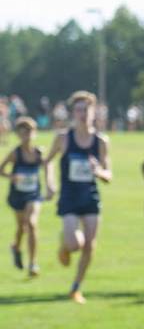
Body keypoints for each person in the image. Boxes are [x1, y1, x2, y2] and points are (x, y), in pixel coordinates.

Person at [44, 91, 112, 304]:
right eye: (79, 109)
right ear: (73, 112)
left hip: (90, 197)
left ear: (94, 112)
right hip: (69, 197)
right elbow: (48, 162)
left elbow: (109, 174)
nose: (83, 114)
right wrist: (50, 184)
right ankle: (65, 244)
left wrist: (99, 171)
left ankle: (76, 287)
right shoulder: (63, 138)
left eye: (87, 109)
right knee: (76, 244)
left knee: (90, 245)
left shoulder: (101, 141)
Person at [3, 117, 47, 277]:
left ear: (34, 133)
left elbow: (47, 166)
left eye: (29, 132)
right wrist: (11, 177)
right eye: (22, 133)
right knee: (21, 227)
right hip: (18, 194)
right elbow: (1, 169)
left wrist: (50, 184)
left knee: (32, 223)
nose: (26, 136)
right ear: (18, 135)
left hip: (34, 194)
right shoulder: (15, 153)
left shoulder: (38, 152)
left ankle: (33, 264)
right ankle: (16, 247)